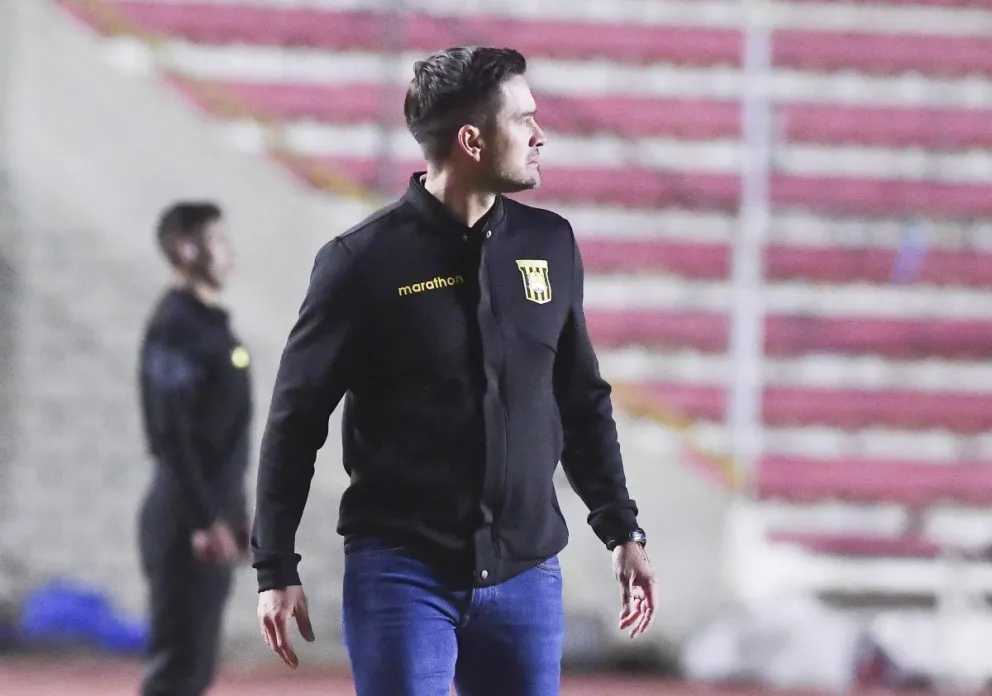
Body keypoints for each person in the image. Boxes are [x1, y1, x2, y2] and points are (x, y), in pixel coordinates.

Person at [250, 46, 657, 695]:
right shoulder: (359, 262)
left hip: (528, 576)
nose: (539, 134)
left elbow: (581, 399)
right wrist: (274, 565)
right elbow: (295, 423)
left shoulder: (550, 245)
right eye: (523, 120)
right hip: (402, 574)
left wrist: (621, 527)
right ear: (471, 140)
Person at [137, 201, 253, 696]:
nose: (228, 253)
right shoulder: (175, 327)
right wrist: (205, 519)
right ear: (187, 249)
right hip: (186, 521)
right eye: (218, 241)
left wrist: (234, 512)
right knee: (178, 669)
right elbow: (171, 433)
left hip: (214, 513)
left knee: (198, 668)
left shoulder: (213, 325)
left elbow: (225, 438)